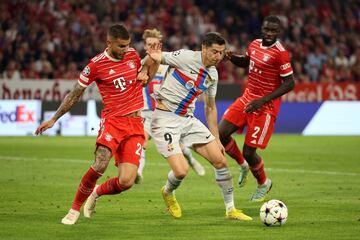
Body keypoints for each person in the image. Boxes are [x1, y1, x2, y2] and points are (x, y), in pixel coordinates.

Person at [35, 24, 159, 225]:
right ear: (108, 43)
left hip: (136, 124)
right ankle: (74, 209)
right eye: (121, 46)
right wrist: (54, 118)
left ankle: (96, 192)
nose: (125, 50)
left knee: (127, 181)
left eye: (128, 45)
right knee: (101, 163)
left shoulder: (133, 55)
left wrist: (148, 67)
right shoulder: (95, 65)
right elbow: (75, 94)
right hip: (113, 122)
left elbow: (147, 74)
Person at [147, 32, 252, 220]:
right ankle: (168, 192)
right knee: (181, 171)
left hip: (188, 120)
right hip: (164, 120)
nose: (218, 56)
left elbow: (210, 107)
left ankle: (231, 210)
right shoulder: (186, 57)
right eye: (214, 52)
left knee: (220, 160)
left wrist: (217, 138)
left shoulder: (213, 74)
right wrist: (148, 57)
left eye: (221, 52)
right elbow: (157, 57)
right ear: (203, 48)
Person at [219, 15, 295, 202]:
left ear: (279, 32)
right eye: (267, 29)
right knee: (221, 133)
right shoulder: (254, 44)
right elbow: (247, 61)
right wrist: (232, 58)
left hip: (265, 107)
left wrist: (262, 100)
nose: (269, 33)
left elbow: (290, 83)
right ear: (262, 29)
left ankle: (263, 183)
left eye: (273, 31)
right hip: (247, 98)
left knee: (249, 152)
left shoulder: (280, 53)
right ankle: (242, 165)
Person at [136, 29, 205, 184]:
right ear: (145, 47)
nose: (152, 47)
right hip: (147, 112)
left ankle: (191, 161)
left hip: (168, 112)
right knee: (143, 142)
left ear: (160, 45)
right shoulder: (140, 65)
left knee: (179, 145)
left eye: (155, 44)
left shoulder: (169, 64)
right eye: (149, 44)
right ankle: (138, 173)